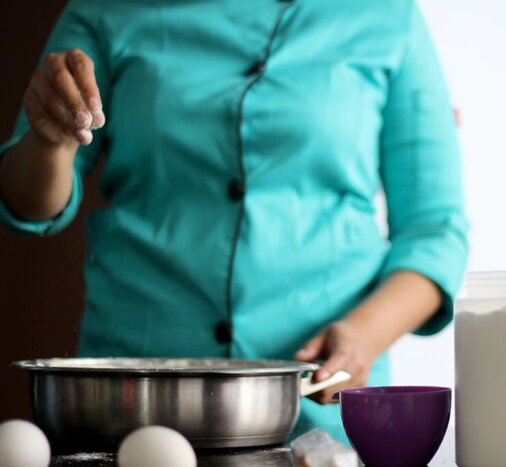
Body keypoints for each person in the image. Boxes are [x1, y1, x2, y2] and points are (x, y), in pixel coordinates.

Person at [0, 0, 468, 442]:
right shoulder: (107, 10)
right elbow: (29, 204)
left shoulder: (387, 16)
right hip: (133, 399)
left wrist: (365, 334)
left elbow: (434, 229)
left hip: (320, 410)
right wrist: (51, 142)